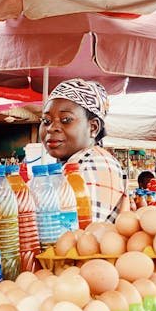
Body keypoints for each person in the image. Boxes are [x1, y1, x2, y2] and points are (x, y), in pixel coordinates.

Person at [39, 78, 129, 223]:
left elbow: (77, 235)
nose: (51, 128)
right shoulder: (73, 163)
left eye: (66, 119)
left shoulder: (97, 163)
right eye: (46, 121)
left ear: (93, 127)